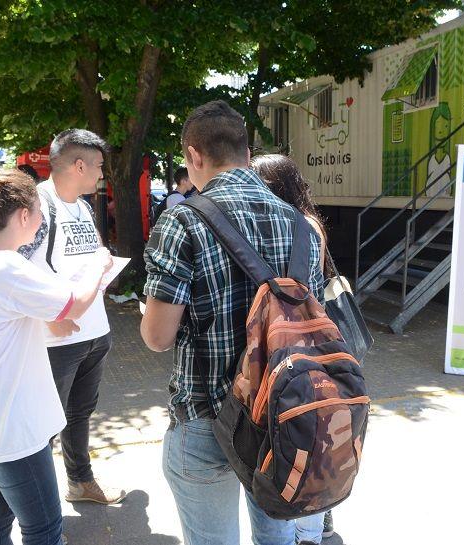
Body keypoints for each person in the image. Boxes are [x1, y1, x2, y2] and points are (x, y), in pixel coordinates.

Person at [141, 101, 324, 545]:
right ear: (246, 153)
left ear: (194, 155)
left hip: (207, 418)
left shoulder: (182, 220)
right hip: (283, 414)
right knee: (277, 537)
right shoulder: (300, 224)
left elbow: (158, 337)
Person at [0, 163, 112, 545]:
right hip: (8, 422)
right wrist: (99, 265)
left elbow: (22, 310)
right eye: (39, 212)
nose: (42, 221)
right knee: (44, 530)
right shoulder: (7, 268)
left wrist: (51, 317)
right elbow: (75, 303)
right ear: (22, 215)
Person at [17, 128, 126, 505]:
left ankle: (80, 482)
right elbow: (14, 268)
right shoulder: (37, 206)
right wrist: (48, 315)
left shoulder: (82, 206)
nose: (102, 174)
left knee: (79, 413)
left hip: (94, 330)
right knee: (44, 424)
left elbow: (87, 255)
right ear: (79, 165)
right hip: (57, 339)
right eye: (99, 166)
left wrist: (104, 263)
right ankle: (36, 510)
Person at [250, 154, 333, 543]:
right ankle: (317, 520)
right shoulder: (303, 220)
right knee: (315, 432)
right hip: (309, 340)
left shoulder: (301, 225)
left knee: (305, 430)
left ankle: (309, 530)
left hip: (301, 339)